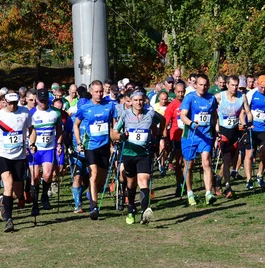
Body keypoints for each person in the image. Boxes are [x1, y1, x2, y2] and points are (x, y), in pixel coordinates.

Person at [112, 89, 165, 224]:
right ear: (131, 102)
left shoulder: (150, 113)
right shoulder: (125, 114)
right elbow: (113, 133)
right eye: (135, 100)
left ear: (144, 100)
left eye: (141, 100)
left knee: (144, 180)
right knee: (131, 183)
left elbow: (163, 120)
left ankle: (144, 212)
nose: (138, 103)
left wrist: (158, 136)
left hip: (144, 153)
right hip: (129, 153)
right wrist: (121, 136)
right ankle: (130, 208)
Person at [0, 91, 35, 232]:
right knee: (8, 183)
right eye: (10, 103)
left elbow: (32, 130)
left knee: (16, 192)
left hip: (19, 156)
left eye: (15, 103)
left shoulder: (25, 112)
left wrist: (32, 143)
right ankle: (9, 220)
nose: (13, 105)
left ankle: (4, 201)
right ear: (5, 101)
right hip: (3, 155)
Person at [74, 80, 117, 220]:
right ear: (91, 92)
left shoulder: (109, 106)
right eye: (96, 92)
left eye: (101, 92)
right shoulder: (85, 108)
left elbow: (113, 124)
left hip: (104, 145)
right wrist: (80, 142)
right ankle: (94, 207)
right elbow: (76, 125)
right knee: (94, 174)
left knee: (103, 178)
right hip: (90, 146)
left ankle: (90, 194)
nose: (99, 94)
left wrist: (114, 139)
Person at [179, 73, 218, 205]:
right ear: (195, 85)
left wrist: (216, 130)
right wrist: (191, 123)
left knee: (206, 162)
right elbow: (183, 115)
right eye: (201, 85)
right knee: (189, 165)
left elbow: (214, 116)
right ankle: (190, 193)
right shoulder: (189, 98)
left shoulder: (211, 98)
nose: (203, 87)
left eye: (206, 85)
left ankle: (208, 193)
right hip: (190, 136)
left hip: (206, 135)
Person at [214, 75, 249, 197]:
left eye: (236, 85)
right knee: (227, 158)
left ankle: (218, 179)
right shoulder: (219, 97)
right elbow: (211, 112)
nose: (234, 88)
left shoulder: (242, 97)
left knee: (230, 161)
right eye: (232, 85)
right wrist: (215, 129)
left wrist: (249, 122)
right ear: (227, 85)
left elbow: (248, 112)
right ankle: (228, 187)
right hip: (223, 132)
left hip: (235, 132)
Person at [30, 89, 63, 214]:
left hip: (49, 148)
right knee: (35, 176)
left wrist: (59, 144)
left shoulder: (55, 113)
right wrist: (29, 144)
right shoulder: (31, 113)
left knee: (48, 175)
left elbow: (59, 130)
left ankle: (44, 196)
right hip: (35, 149)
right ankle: (34, 204)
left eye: (45, 100)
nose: (43, 103)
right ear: (37, 99)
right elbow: (27, 130)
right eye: (41, 100)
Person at [244, 75, 265, 188]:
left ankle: (259, 174)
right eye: (261, 87)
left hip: (264, 128)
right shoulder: (251, 94)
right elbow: (244, 109)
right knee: (249, 153)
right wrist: (246, 123)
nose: (263, 89)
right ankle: (249, 179)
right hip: (252, 128)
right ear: (257, 84)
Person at [164, 81, 186, 197]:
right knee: (178, 162)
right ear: (175, 92)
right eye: (178, 92)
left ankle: (186, 183)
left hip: (187, 136)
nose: (181, 94)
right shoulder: (172, 106)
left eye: (182, 92)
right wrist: (165, 138)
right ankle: (179, 184)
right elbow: (165, 122)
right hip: (175, 137)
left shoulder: (188, 102)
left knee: (187, 161)